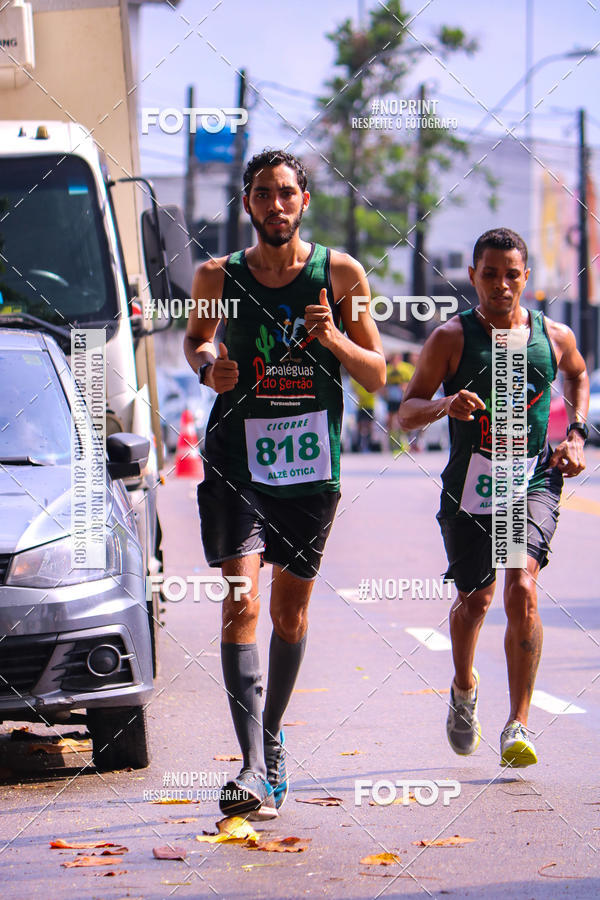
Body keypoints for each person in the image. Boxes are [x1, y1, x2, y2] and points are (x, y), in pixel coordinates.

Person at [184, 149, 385, 818]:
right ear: (248, 203)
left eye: (287, 193)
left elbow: (376, 376)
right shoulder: (217, 275)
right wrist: (210, 365)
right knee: (241, 601)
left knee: (288, 612)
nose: (276, 204)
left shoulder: (341, 274)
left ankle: (271, 744)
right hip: (237, 458)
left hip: (306, 469)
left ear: (304, 202)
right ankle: (247, 767)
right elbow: (197, 341)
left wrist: (333, 340)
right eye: (264, 193)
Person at [399, 227, 589, 767]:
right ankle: (464, 689)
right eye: (490, 274)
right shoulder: (451, 338)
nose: (501, 285)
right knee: (476, 600)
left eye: (512, 275)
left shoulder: (552, 336)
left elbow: (577, 375)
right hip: (469, 488)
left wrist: (575, 435)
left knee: (521, 589)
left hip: (530, 480)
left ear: (527, 278)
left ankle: (518, 725)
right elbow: (405, 410)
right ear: (473, 276)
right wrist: (443, 406)